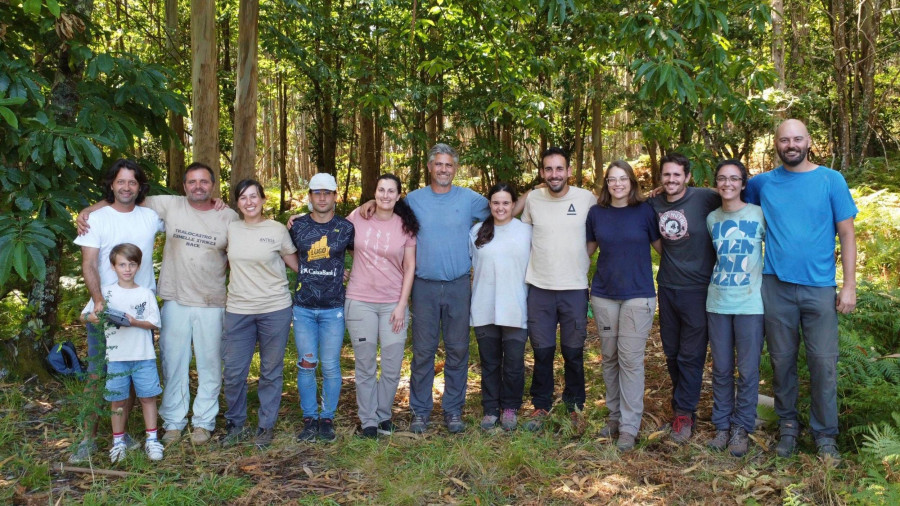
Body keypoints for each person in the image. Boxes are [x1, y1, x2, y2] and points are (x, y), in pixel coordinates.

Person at [77, 162, 239, 446]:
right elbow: (122, 199)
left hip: (204, 301)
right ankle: (170, 424)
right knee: (167, 364)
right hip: (169, 300)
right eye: (191, 181)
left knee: (209, 364)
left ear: (213, 185)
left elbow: (237, 254)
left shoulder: (226, 215)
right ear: (183, 186)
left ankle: (202, 422)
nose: (198, 186)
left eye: (204, 181)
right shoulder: (167, 205)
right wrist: (87, 210)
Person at [745, 119, 857, 460]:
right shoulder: (762, 184)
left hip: (819, 288)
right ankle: (789, 428)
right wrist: (667, 193)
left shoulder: (830, 180)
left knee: (823, 363)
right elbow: (728, 198)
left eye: (797, 139)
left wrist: (849, 285)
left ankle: (825, 436)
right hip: (775, 287)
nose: (790, 144)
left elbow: (848, 234)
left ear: (809, 141)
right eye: (784, 140)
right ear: (776, 144)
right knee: (782, 362)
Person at [69, 159, 163, 464]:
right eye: (120, 182)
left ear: (140, 186)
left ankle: (121, 435)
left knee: (133, 372)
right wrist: (99, 301)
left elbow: (188, 212)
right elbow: (88, 264)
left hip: (139, 310)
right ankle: (88, 438)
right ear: (111, 184)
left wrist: (215, 203)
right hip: (105, 310)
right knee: (98, 375)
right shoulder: (96, 220)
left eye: (132, 182)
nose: (126, 187)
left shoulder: (150, 217)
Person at [405, 143, 490, 434]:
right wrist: (364, 206)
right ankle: (420, 412)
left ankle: (453, 411)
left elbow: (501, 209)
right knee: (423, 352)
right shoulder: (413, 200)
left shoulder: (469, 200)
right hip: (424, 286)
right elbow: (383, 212)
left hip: (457, 286)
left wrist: (532, 199)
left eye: (449, 165)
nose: (443, 169)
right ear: (429, 167)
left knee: (457, 350)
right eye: (438, 164)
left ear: (455, 168)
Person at [521, 147, 598, 432]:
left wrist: (583, 256)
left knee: (573, 351)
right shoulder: (533, 199)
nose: (554, 174)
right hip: (539, 287)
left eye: (559, 169)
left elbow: (602, 225)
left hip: (574, 287)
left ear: (568, 171)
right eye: (548, 169)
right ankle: (541, 405)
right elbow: (524, 235)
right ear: (542, 173)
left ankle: (575, 405)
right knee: (542, 351)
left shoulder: (586, 199)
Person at [586, 161, 661, 451]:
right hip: (604, 294)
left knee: (630, 359)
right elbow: (586, 251)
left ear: (632, 181)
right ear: (606, 184)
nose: (617, 184)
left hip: (638, 295)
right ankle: (614, 417)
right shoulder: (596, 214)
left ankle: (630, 427)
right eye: (612, 180)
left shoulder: (645, 211)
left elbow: (662, 248)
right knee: (609, 358)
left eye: (623, 179)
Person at [220, 179, 299, 449]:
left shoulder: (276, 229)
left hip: (274, 309)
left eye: (254, 196)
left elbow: (297, 265)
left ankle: (266, 426)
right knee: (233, 372)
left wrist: (331, 276)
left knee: (270, 371)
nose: (249, 202)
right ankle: (235, 423)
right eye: (243, 197)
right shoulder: (230, 229)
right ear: (237, 203)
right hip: (238, 310)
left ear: (264, 200)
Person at [649, 152, 720, 443]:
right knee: (672, 352)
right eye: (666, 175)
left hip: (699, 289)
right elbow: (630, 201)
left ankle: (684, 413)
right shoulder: (654, 202)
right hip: (667, 287)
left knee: (691, 355)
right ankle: (682, 406)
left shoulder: (705, 198)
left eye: (677, 175)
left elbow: (736, 192)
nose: (671, 180)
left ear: (687, 177)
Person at [344, 174, 417, 439]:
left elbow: (410, 267)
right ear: (374, 192)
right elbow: (330, 233)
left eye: (391, 191)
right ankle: (368, 422)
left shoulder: (405, 226)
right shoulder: (359, 217)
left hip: (392, 305)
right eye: (381, 189)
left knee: (392, 364)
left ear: (398, 196)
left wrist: (402, 305)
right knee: (364, 366)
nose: (385, 195)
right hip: (360, 301)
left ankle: (383, 415)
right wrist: (296, 221)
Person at [704, 159, 766, 458]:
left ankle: (742, 428)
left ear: (743, 183)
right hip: (717, 302)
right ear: (716, 183)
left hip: (751, 303)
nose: (727, 183)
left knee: (748, 370)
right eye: (722, 178)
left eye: (734, 179)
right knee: (722, 368)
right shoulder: (712, 219)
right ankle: (722, 426)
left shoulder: (758, 214)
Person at [81, 243, 163, 462]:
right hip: (116, 357)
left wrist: (134, 321)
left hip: (143, 356)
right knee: (117, 400)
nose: (127, 269)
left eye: (132, 264)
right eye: (122, 264)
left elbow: (155, 323)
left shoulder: (145, 293)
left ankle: (152, 440)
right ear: (113, 266)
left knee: (148, 397)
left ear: (138, 266)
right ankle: (118, 442)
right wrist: (94, 317)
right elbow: (85, 315)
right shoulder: (105, 292)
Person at [290, 173, 355, 443]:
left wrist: (349, 273)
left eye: (328, 192)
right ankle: (309, 418)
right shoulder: (296, 226)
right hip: (304, 307)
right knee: (306, 364)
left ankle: (326, 418)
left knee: (330, 365)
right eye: (317, 192)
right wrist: (303, 271)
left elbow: (362, 254)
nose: (322, 197)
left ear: (336, 196)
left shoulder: (346, 227)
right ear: (310, 196)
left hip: (333, 308)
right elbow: (285, 253)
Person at [469, 182, 532, 432]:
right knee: (490, 363)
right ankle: (490, 409)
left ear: (514, 205)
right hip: (484, 306)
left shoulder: (526, 231)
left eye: (506, 202)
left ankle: (510, 407)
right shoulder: (476, 232)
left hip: (516, 307)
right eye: (496, 202)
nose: (501, 207)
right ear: (489, 205)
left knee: (514, 363)